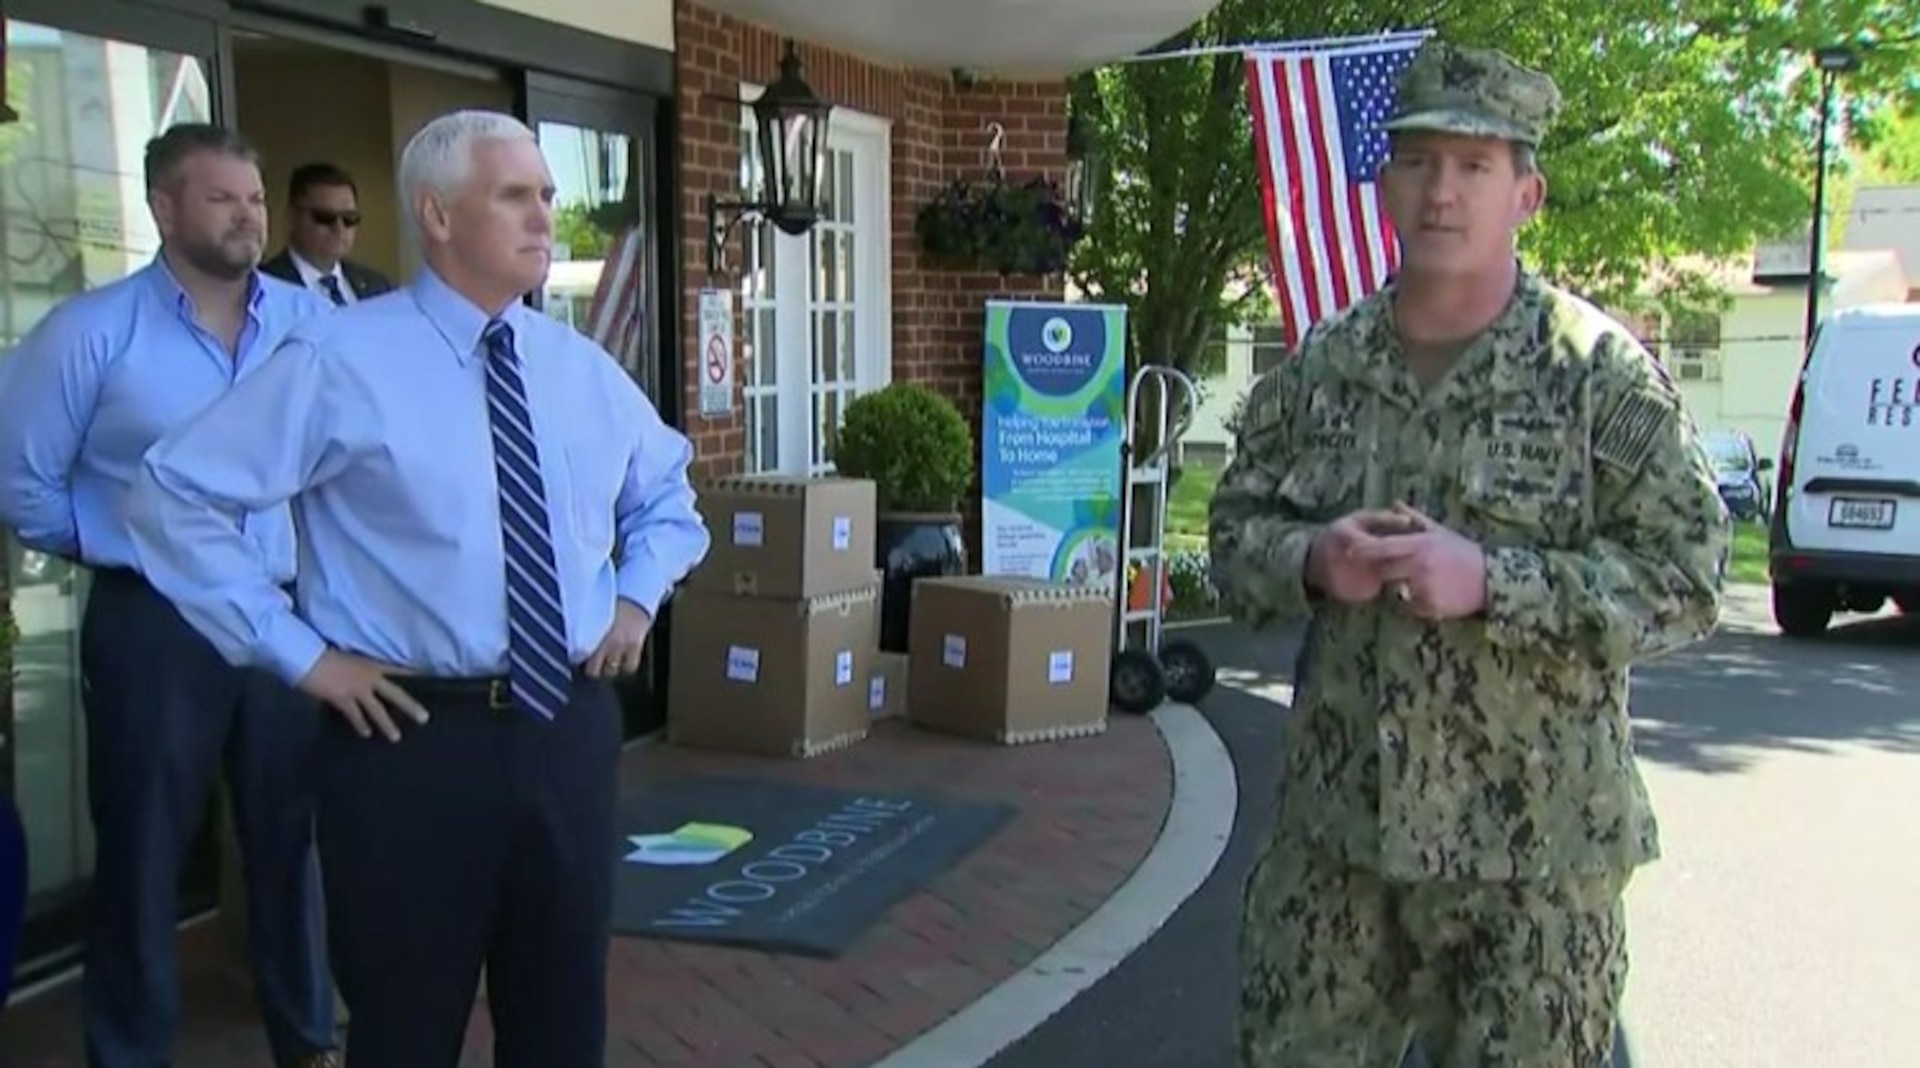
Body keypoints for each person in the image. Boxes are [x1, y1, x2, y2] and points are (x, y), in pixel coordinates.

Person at [123, 109, 711, 1068]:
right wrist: (302, 656)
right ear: (436, 216)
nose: (543, 217)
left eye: (548, 194)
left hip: (566, 729)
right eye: (514, 195)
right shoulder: (341, 362)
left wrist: (638, 599)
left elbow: (669, 499)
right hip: (408, 746)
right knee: (404, 1029)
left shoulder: (579, 370)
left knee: (564, 1026)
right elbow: (170, 498)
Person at [1209, 41, 1728, 1068]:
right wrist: (1316, 558)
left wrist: (1495, 581)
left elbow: (1688, 579)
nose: (1442, 192)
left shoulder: (1598, 378)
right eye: (1419, 162)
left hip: (1532, 866)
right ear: (1386, 183)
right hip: (1338, 847)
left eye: (1475, 166)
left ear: (1526, 192)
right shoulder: (1324, 365)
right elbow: (1230, 539)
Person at [0, 123, 339, 1068]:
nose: (248, 216)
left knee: (289, 840)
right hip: (155, 621)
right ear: (164, 208)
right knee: (145, 854)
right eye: (223, 198)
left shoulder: (313, 328)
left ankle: (307, 1041)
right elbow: (23, 482)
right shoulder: (91, 332)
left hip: (280, 611)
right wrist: (124, 547)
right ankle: (130, 1051)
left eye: (256, 199)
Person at [259, 162, 394, 304]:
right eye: (325, 217)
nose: (339, 228)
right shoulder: (261, 286)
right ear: (292, 218)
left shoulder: (377, 286)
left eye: (349, 218)